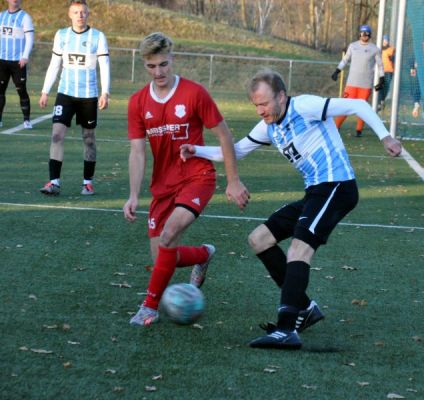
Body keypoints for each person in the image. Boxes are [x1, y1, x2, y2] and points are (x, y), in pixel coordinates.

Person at [180, 68, 402, 349]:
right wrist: (196, 150)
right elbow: (235, 152)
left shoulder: (305, 106)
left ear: (282, 97)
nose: (260, 110)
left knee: (299, 248)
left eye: (264, 103)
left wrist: (385, 137)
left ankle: (286, 329)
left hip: (337, 187)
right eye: (256, 105)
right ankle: (305, 309)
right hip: (315, 193)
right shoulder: (268, 126)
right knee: (259, 239)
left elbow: (358, 104)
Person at [124, 32, 249, 326]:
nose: (159, 72)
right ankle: (204, 254)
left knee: (168, 235)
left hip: (197, 176)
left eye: (164, 65)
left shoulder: (194, 93)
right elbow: (137, 152)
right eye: (152, 67)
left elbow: (224, 136)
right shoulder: (137, 102)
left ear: (173, 58)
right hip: (163, 186)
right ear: (145, 65)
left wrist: (233, 180)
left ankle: (149, 307)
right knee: (162, 260)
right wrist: (133, 195)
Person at [38, 0, 110, 196]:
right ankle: (54, 182)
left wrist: (105, 92)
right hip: (65, 93)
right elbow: (54, 64)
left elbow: (104, 65)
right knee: (56, 135)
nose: (80, 15)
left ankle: (87, 182)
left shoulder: (98, 36)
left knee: (88, 138)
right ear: (70, 14)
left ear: (88, 14)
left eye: (83, 12)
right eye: (76, 12)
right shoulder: (61, 35)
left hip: (88, 96)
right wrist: (45, 90)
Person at [331, 24, 384, 137]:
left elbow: (380, 65)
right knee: (345, 106)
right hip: (351, 83)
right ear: (359, 33)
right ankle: (336, 127)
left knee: (362, 107)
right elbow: (345, 60)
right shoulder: (353, 46)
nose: (364, 35)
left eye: (367, 33)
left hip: (365, 84)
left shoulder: (375, 49)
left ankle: (359, 130)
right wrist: (337, 71)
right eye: (362, 33)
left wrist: (382, 79)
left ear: (369, 35)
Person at [0, 0, 34, 129]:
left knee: (21, 90)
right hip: (2, 60)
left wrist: (25, 56)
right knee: (0, 91)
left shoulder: (25, 17)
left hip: (18, 62)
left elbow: (30, 38)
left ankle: (26, 120)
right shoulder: (1, 16)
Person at [378, 34, 394, 112]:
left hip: (389, 71)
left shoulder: (392, 49)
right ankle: (379, 103)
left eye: (386, 40)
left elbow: (395, 59)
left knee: (386, 87)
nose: (385, 42)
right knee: (380, 87)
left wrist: (392, 58)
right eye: (384, 40)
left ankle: (382, 101)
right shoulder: (379, 49)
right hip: (381, 71)